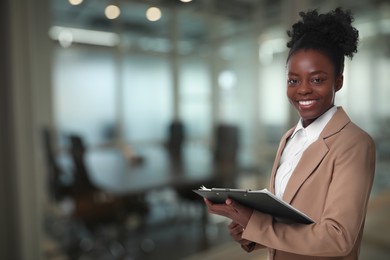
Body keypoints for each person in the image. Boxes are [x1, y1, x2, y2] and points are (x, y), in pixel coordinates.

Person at [204, 7, 376, 260]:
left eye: (317, 80)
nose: (303, 90)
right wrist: (249, 232)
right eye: (293, 80)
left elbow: (338, 238)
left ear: (338, 81)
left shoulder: (355, 143)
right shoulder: (289, 137)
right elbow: (290, 221)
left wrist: (256, 224)